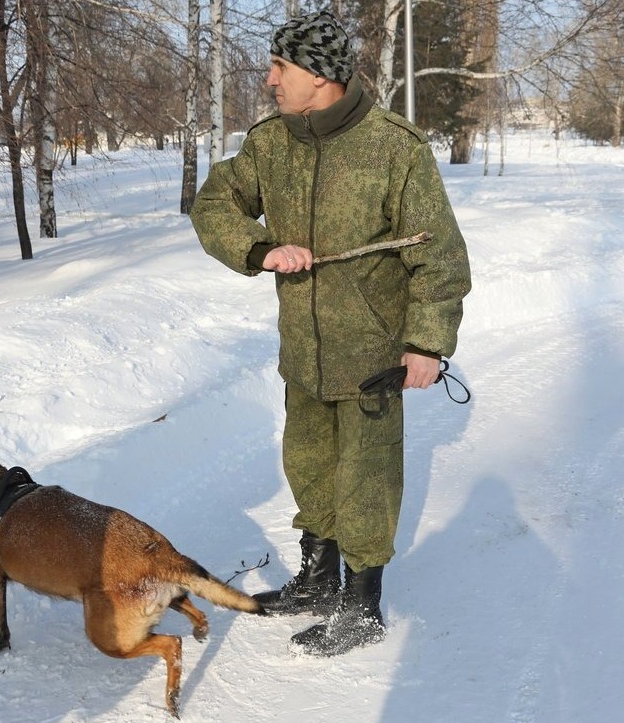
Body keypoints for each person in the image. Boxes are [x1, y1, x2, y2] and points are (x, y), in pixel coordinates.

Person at [190, 10, 471, 657]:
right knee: (309, 464)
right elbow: (214, 203)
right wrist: (259, 249)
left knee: (367, 478)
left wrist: (426, 345)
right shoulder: (271, 143)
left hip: (373, 357)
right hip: (304, 354)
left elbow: (440, 258)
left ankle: (362, 605)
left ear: (318, 75)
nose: (269, 80)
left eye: (279, 67)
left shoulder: (394, 148)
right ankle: (319, 580)